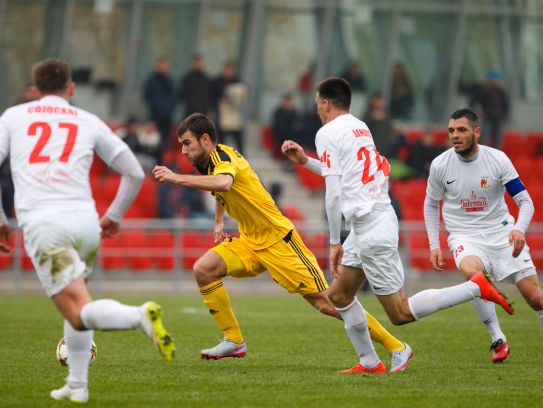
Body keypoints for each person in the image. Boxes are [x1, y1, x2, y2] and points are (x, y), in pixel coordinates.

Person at [281, 77, 514, 372]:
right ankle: (369, 361)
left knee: (400, 313)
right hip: (372, 219)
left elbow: (334, 191)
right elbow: (345, 173)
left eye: (317, 104)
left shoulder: (327, 132)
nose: (317, 110)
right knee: (339, 295)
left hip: (370, 226)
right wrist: (305, 161)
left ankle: (473, 288)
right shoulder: (360, 126)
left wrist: (333, 242)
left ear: (326, 103)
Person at [153, 112, 413, 373]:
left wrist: (175, 178)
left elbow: (223, 183)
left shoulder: (223, 158)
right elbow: (220, 190)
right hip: (250, 241)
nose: (184, 151)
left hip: (280, 241)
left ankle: (395, 346)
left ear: (205, 139)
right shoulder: (208, 163)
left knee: (329, 302)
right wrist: (219, 222)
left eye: (187, 143)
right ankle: (233, 340)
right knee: (204, 269)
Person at [0, 58, 175, 403]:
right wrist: (114, 215)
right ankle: (77, 385)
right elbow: (134, 171)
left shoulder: (13, 117)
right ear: (72, 89)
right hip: (86, 222)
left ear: (35, 91)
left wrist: (2, 220)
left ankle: (138, 316)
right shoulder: (87, 119)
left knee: (78, 311)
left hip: (45, 223)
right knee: (79, 299)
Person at [424, 108, 543, 362]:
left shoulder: (497, 159)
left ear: (477, 132)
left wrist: (518, 229)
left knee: (535, 298)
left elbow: (525, 201)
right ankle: (498, 339)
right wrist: (434, 244)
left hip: (501, 233)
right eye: (451, 131)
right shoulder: (440, 165)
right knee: (475, 276)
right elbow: (431, 204)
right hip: (464, 236)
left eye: (462, 130)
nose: (455, 135)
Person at [211, 61, 247, 154]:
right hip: (222, 118)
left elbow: (244, 93)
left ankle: (241, 161)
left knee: (239, 142)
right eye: (227, 70)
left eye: (231, 70)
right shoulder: (217, 82)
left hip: (235, 118)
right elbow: (214, 96)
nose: (229, 72)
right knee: (221, 143)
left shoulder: (238, 81)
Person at [143, 56, 177, 155]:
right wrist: (158, 107)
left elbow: (174, 98)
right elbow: (147, 97)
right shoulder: (151, 81)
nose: (162, 67)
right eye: (160, 65)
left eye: (164, 65)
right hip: (155, 115)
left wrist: (168, 109)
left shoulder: (170, 81)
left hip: (167, 116)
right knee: (154, 141)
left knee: (165, 142)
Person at [469, 70, 509, 149]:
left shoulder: (501, 92)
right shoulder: (484, 91)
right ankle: (482, 156)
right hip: (487, 118)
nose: (494, 82)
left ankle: (496, 159)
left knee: (497, 141)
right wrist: (477, 112)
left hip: (498, 119)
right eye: (492, 80)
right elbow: (473, 101)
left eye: (495, 80)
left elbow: (506, 106)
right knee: (483, 139)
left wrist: (504, 116)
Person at [177, 53, 211, 117]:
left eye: (199, 62)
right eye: (196, 62)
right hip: (189, 113)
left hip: (203, 113)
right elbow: (182, 95)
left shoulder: (207, 79)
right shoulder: (186, 79)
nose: (198, 64)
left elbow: (209, 96)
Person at [271, 93, 301, 160]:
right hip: (281, 135)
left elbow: (297, 123)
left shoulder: (294, 112)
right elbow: (277, 125)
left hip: (292, 135)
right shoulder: (278, 112)